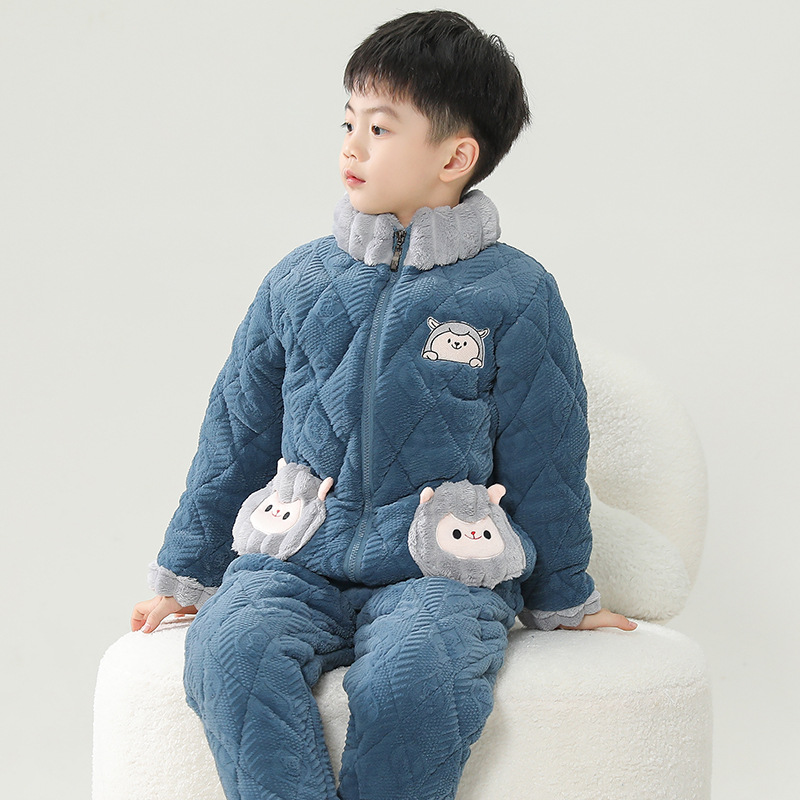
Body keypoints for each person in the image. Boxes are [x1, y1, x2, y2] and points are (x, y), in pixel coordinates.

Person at [131, 10, 635, 800]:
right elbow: (237, 430)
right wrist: (188, 570)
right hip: (298, 557)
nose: (351, 147)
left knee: (414, 679)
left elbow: (548, 452)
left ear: (455, 156)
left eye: (379, 128)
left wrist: (564, 595)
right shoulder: (298, 281)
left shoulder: (516, 292)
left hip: (441, 571)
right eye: (348, 123)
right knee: (230, 649)